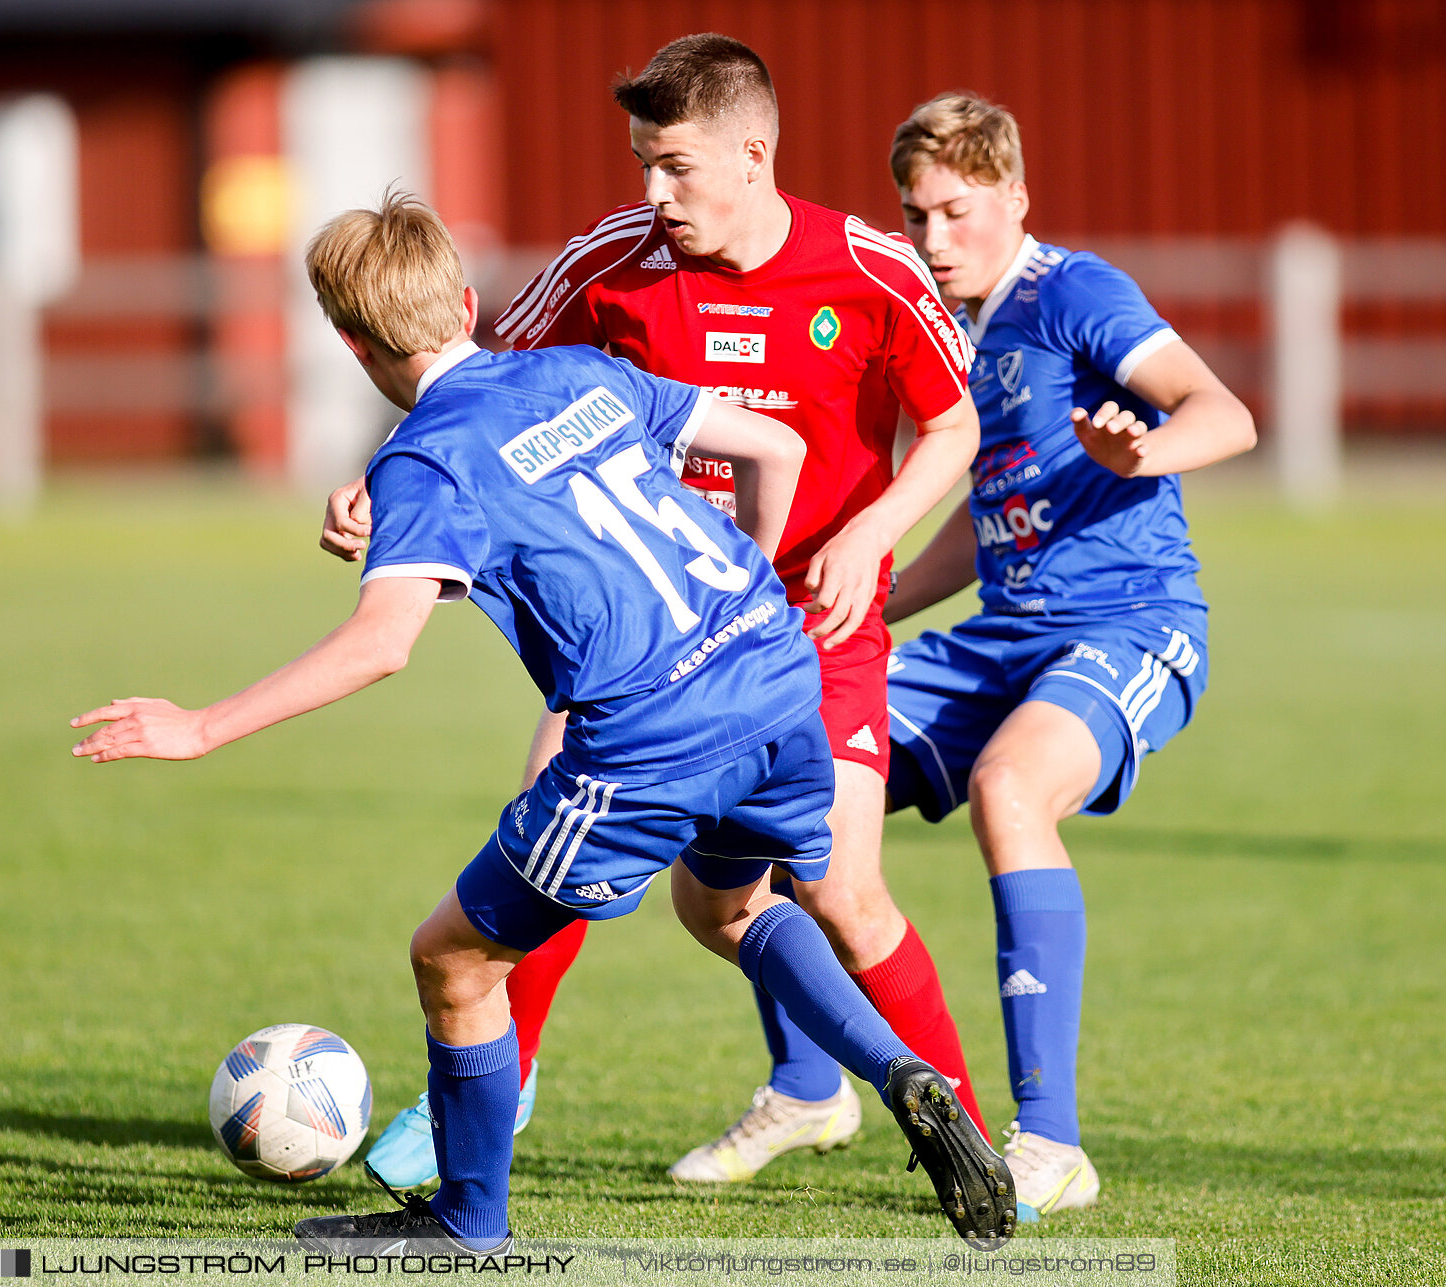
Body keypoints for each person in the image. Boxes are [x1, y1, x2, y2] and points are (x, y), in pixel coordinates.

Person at [71, 192, 1014, 1252]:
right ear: (467, 302)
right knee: (729, 911)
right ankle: (900, 1069)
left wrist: (199, 726)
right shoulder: (577, 373)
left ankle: (468, 1223)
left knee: (456, 961)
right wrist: (742, 592)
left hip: (655, 732)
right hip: (778, 669)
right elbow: (773, 448)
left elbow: (381, 644)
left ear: (350, 342)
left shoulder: (423, 458)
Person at [323, 33, 990, 1189]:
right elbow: (468, 378)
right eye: (641, 163)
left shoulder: (871, 271)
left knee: (837, 887)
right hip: (646, 632)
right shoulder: (610, 264)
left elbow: (956, 426)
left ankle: (967, 1133)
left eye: (675, 167)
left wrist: (873, 534)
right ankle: (484, 1096)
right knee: (552, 815)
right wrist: (384, 486)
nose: (652, 193)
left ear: (753, 153)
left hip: (815, 629)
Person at [880, 93, 1257, 1220]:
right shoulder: (959, 328)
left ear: (1014, 198)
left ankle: (1049, 1141)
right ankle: (808, 1088)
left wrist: (1141, 454)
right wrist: (870, 601)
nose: (934, 239)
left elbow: (1221, 412)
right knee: (803, 776)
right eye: (915, 216)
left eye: (955, 211)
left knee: (1011, 789)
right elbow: (989, 518)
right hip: (1001, 638)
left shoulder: (1072, 291)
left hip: (1127, 625)